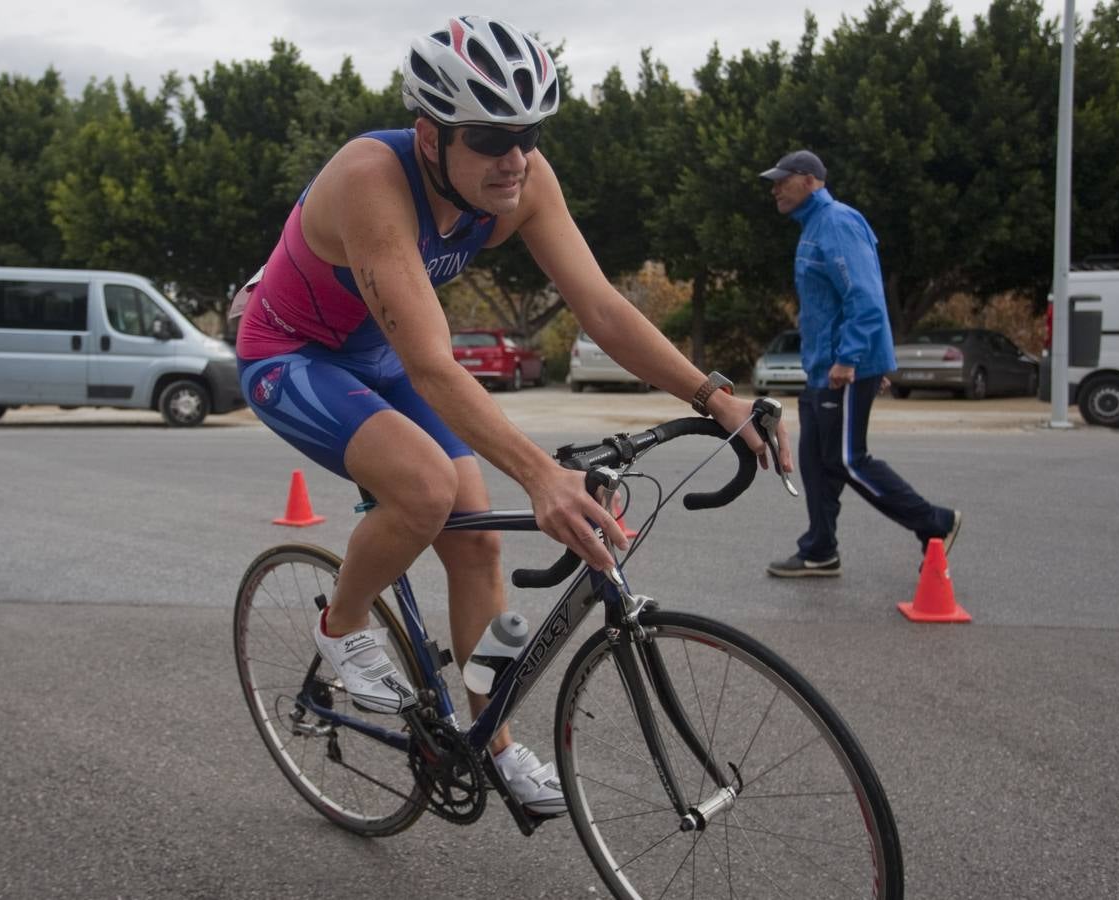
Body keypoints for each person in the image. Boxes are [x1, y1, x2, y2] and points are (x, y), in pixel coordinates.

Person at [232, 15, 793, 816]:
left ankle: (489, 745)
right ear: (429, 135)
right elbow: (432, 361)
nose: (515, 157)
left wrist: (713, 395)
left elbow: (599, 305)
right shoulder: (369, 176)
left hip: (383, 359)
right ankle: (341, 621)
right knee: (425, 490)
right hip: (292, 355)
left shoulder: (523, 182)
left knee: (479, 543)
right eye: (491, 135)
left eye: (529, 132)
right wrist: (540, 475)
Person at [758, 149, 960, 578]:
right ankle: (820, 549)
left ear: (810, 180)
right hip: (821, 369)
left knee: (849, 459)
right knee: (816, 460)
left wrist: (853, 359)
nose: (774, 189)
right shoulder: (813, 227)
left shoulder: (837, 223)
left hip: (842, 370)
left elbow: (865, 298)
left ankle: (934, 522)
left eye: (782, 180)